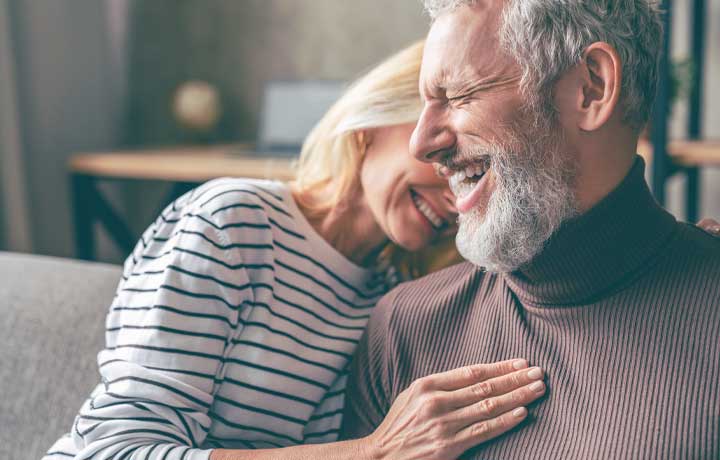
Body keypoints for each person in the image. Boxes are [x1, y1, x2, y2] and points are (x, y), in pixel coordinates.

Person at [44, 41, 549, 460]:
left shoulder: (391, 296)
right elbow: (113, 451)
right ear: (378, 123)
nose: (457, 198)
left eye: (474, 179)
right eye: (447, 162)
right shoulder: (232, 222)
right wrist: (372, 452)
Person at [341, 1, 720, 459]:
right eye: (426, 104)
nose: (421, 143)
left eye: (458, 96)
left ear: (590, 88)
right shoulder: (405, 328)